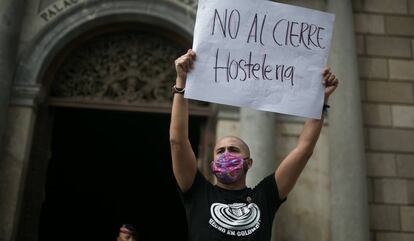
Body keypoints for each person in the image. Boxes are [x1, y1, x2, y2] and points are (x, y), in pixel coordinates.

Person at [169, 49, 339, 241]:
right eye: (220, 151)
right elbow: (178, 142)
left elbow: (304, 150)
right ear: (212, 163)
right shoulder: (197, 191)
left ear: (248, 163)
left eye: (233, 150)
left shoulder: (265, 196)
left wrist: (320, 100)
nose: (226, 154)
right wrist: (181, 82)